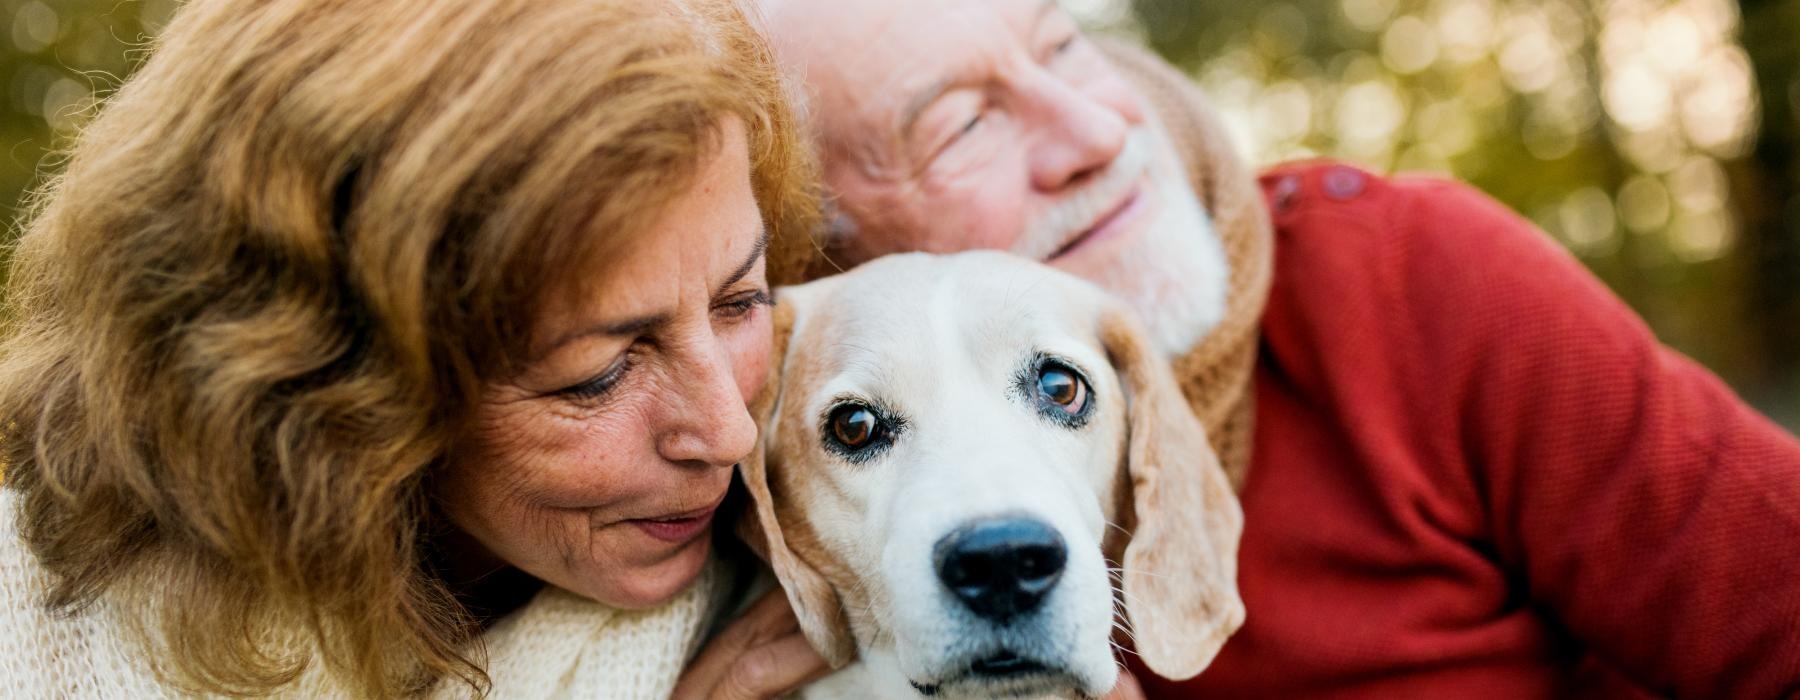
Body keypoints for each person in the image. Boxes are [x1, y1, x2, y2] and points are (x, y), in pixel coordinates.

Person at [755, 0, 1800, 696]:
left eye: (1062, 43)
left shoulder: (1413, 273)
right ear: (829, 247)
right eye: (959, 127)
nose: (1097, 132)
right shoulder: (764, 440)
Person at [0, 0, 832, 696]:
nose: (728, 431)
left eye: (738, 300)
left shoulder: (817, 548)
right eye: (596, 376)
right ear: (329, 396)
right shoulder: (32, 638)